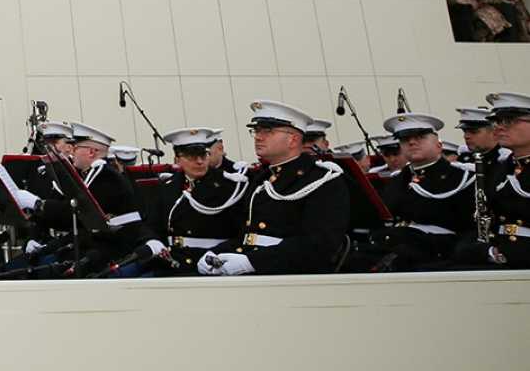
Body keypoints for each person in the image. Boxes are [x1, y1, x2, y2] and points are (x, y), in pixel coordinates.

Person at [197, 101, 348, 277]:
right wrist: (215, 253)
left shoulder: (323, 179)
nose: (258, 137)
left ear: (293, 139)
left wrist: (253, 262)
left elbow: (319, 244)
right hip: (261, 272)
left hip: (294, 278)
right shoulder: (263, 179)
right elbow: (249, 236)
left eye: (267, 131)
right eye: (257, 130)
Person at [113, 127, 247, 276]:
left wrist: (217, 254)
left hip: (206, 261)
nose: (199, 161)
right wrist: (152, 240)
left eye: (203, 155)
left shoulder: (228, 186)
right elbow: (151, 224)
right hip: (170, 257)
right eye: (192, 156)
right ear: (177, 159)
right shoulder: (168, 186)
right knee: (117, 275)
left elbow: (241, 233)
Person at [14, 122, 143, 274]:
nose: (72, 151)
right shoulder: (95, 174)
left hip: (107, 251)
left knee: (37, 271)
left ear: (91, 152)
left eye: (76, 148)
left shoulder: (107, 178)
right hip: (88, 245)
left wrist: (38, 204)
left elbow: (76, 212)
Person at [365, 112, 474, 271]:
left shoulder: (460, 178)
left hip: (437, 252)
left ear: (438, 144)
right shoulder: (398, 179)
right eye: (405, 139)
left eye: (420, 137)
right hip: (397, 244)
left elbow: (468, 227)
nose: (412, 142)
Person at [453, 91, 530, 269]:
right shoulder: (499, 169)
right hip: (500, 251)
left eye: (509, 120)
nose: (499, 127)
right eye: (497, 121)